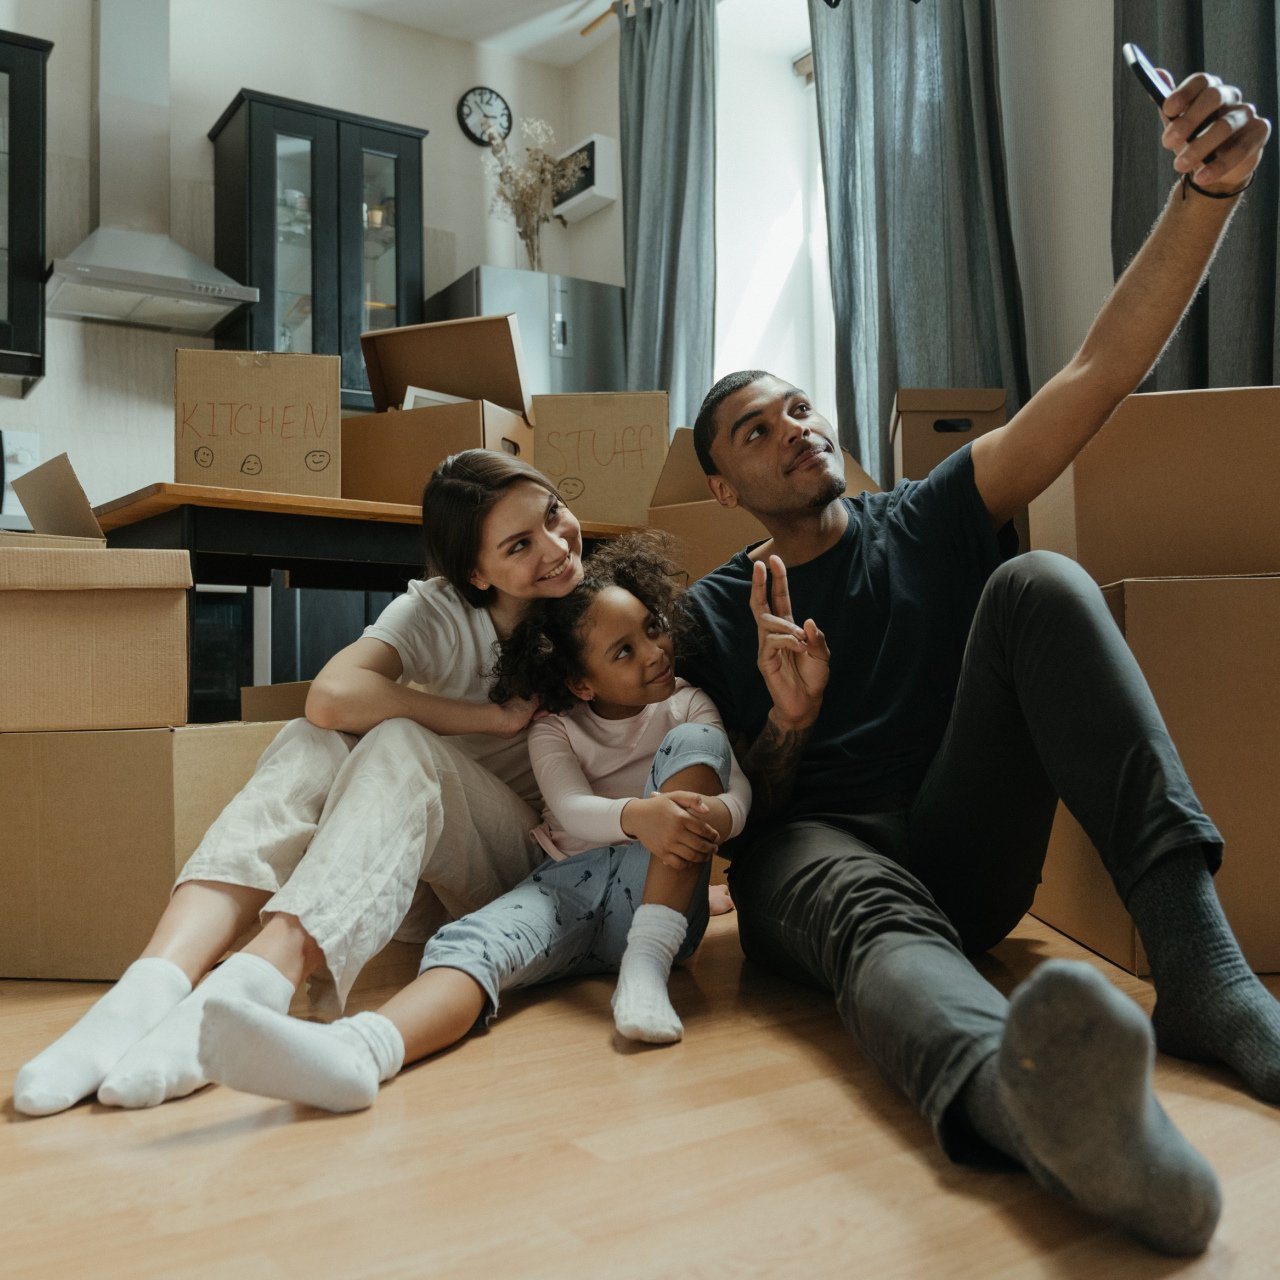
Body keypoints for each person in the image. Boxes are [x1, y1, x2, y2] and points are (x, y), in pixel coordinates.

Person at [673, 67, 1274, 1257]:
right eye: (756, 429)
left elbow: (1092, 376)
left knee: (1037, 581)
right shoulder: (711, 610)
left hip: (964, 843)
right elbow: (737, 825)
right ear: (720, 484)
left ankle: (1203, 977)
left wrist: (1206, 196)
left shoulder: (930, 513)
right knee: (837, 884)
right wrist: (788, 722)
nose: (793, 429)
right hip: (822, 862)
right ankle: (1030, 1108)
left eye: (797, 408)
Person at [14, 450, 589, 1116]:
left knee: (401, 740)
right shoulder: (440, 609)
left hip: (528, 873)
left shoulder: (602, 608)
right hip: (417, 870)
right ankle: (155, 981)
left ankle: (261, 976)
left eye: (553, 515)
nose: (555, 546)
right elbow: (330, 697)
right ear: (474, 573)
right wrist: (490, 718)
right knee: (316, 736)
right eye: (520, 544)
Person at [195, 533, 750, 1111]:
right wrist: (639, 815)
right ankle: (362, 1051)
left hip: (657, 898)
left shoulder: (687, 703)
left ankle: (646, 969)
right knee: (472, 944)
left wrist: (714, 817)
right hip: (565, 879)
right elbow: (568, 809)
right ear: (581, 683)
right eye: (623, 651)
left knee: (699, 742)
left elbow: (737, 790)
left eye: (652, 628)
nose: (654, 651)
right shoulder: (555, 725)